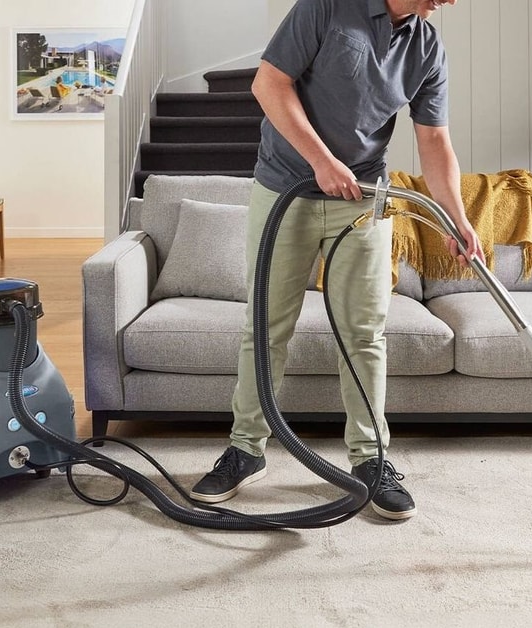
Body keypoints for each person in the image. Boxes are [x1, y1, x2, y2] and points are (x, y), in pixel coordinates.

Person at [190, 0, 484, 520]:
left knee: (364, 333)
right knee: (266, 328)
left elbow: (434, 139)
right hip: (287, 189)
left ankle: (371, 460)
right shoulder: (327, 6)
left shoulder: (426, 46)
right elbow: (269, 84)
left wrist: (456, 217)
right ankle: (245, 450)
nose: (451, 1)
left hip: (365, 200)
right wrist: (321, 161)